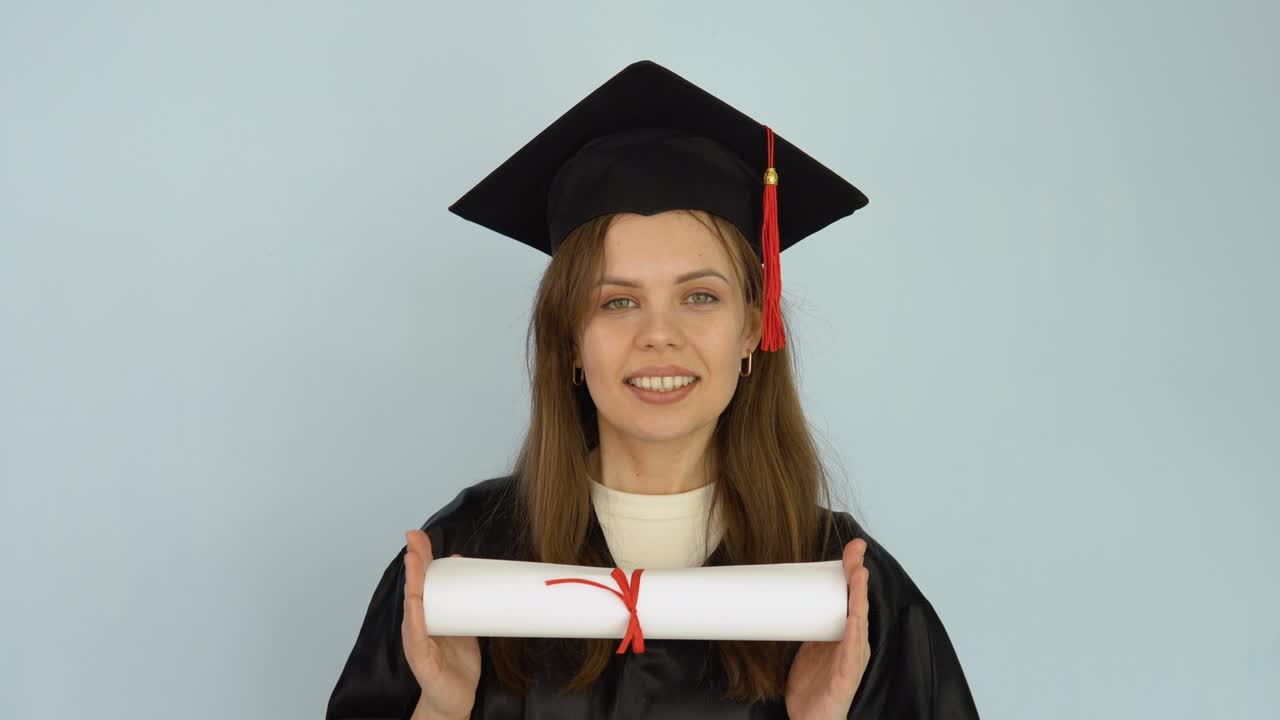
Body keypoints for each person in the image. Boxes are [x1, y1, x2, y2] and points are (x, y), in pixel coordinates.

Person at [327, 59, 980, 720]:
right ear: (568, 339)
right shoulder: (466, 563)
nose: (658, 335)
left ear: (752, 328)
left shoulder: (844, 590)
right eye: (616, 303)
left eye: (700, 296)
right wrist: (440, 710)